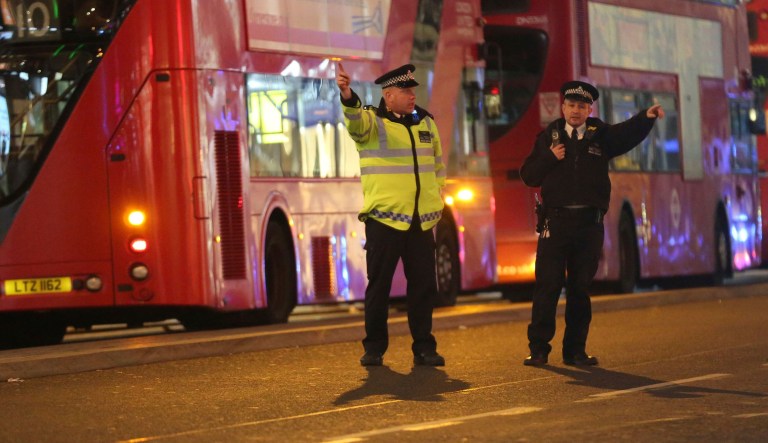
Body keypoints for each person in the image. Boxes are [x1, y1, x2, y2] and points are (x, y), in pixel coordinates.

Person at [520, 80, 665, 367]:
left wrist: (645, 118)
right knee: (547, 286)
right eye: (571, 105)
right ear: (563, 108)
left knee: (580, 288)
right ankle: (538, 349)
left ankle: (575, 351)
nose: (576, 111)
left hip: (588, 224)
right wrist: (550, 157)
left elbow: (625, 135)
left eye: (582, 106)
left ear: (589, 109)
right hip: (555, 223)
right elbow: (529, 175)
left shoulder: (600, 135)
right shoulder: (549, 136)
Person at [336, 62, 447, 367]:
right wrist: (347, 94)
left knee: (424, 288)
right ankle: (374, 348)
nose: (412, 96)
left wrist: (437, 198)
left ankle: (425, 347)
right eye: (405, 90)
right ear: (388, 95)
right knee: (379, 287)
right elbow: (354, 121)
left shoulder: (426, 122)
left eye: (413, 90)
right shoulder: (372, 122)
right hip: (384, 220)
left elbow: (438, 166)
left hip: (420, 221)